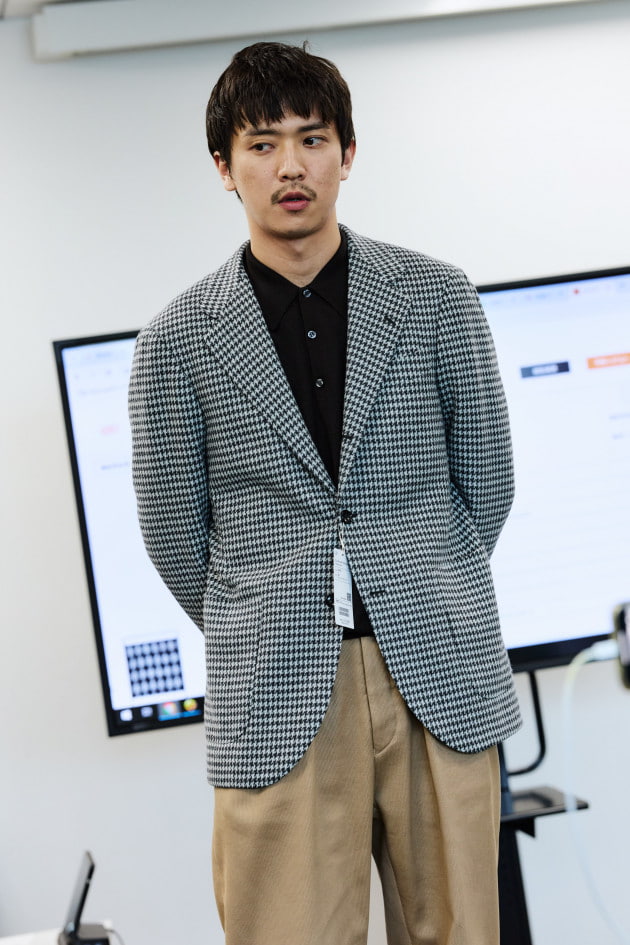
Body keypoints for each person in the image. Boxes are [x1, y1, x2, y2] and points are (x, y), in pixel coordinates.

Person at [128, 40, 522, 945]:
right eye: (262, 144)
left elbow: (489, 481)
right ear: (223, 166)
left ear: (348, 153)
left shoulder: (436, 297)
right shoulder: (176, 341)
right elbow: (173, 533)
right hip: (277, 686)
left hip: (437, 665)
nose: (291, 166)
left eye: (312, 139)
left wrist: (426, 581)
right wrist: (259, 616)